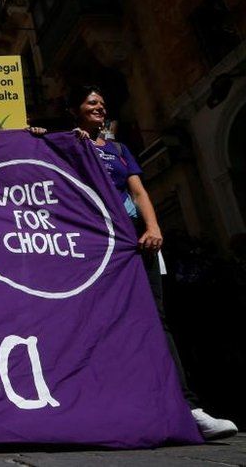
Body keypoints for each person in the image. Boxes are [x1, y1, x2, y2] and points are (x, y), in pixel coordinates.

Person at [70, 84, 237, 441]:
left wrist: (153, 227)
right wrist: (44, 135)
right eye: (91, 102)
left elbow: (138, 191)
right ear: (75, 110)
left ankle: (188, 408)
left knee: (155, 318)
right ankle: (112, 406)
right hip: (95, 243)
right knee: (101, 319)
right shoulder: (69, 145)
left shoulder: (119, 149)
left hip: (134, 239)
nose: (100, 107)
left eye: (102, 102)